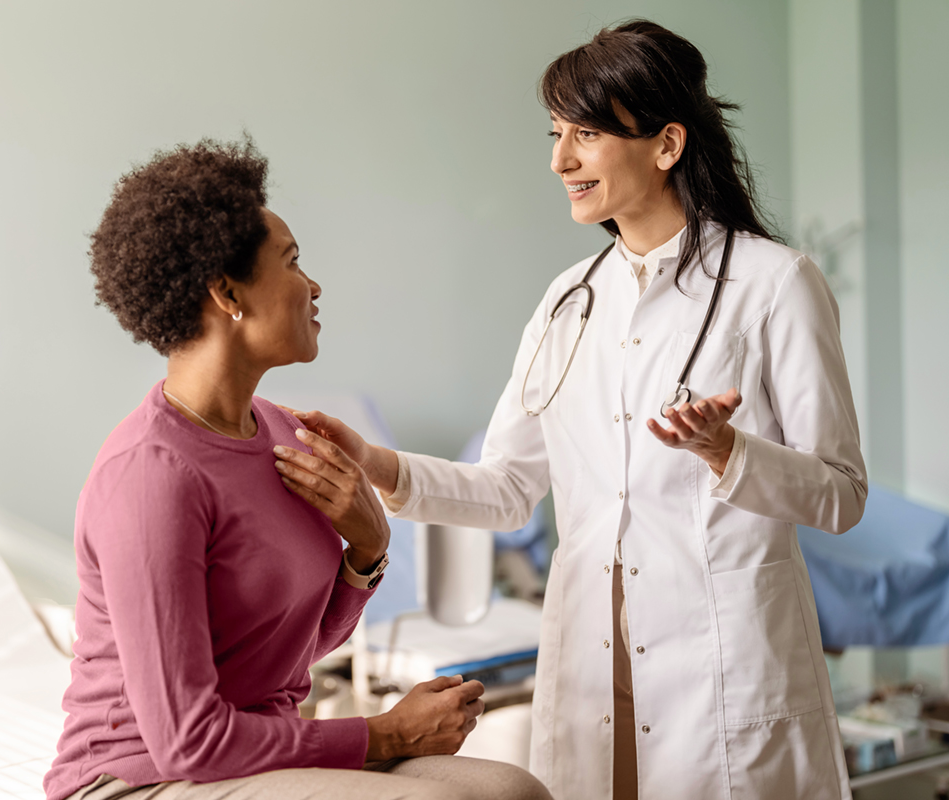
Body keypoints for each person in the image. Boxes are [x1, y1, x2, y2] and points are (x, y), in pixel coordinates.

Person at [277, 20, 867, 800]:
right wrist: (376, 465)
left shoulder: (774, 284)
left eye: (585, 134)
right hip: (595, 666)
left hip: (722, 671)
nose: (560, 160)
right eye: (557, 134)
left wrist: (731, 454)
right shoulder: (568, 303)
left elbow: (842, 493)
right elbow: (507, 488)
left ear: (666, 145)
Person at [43, 138, 551, 800]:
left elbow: (281, 654)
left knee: (514, 791)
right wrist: (386, 734)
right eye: (291, 262)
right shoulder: (152, 477)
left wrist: (367, 553)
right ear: (227, 293)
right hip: (140, 778)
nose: (313, 285)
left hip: (257, 751)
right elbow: (187, 739)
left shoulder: (283, 433)